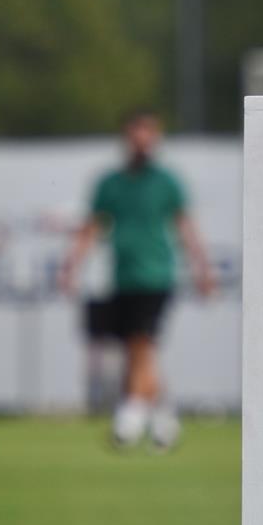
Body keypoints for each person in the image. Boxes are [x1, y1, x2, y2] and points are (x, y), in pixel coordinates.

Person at [59, 109, 214, 448]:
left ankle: (129, 417)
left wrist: (203, 268)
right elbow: (92, 227)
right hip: (123, 277)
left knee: (142, 344)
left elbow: (185, 227)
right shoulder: (111, 183)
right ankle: (164, 419)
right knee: (136, 350)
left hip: (156, 274)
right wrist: (72, 264)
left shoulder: (166, 182)